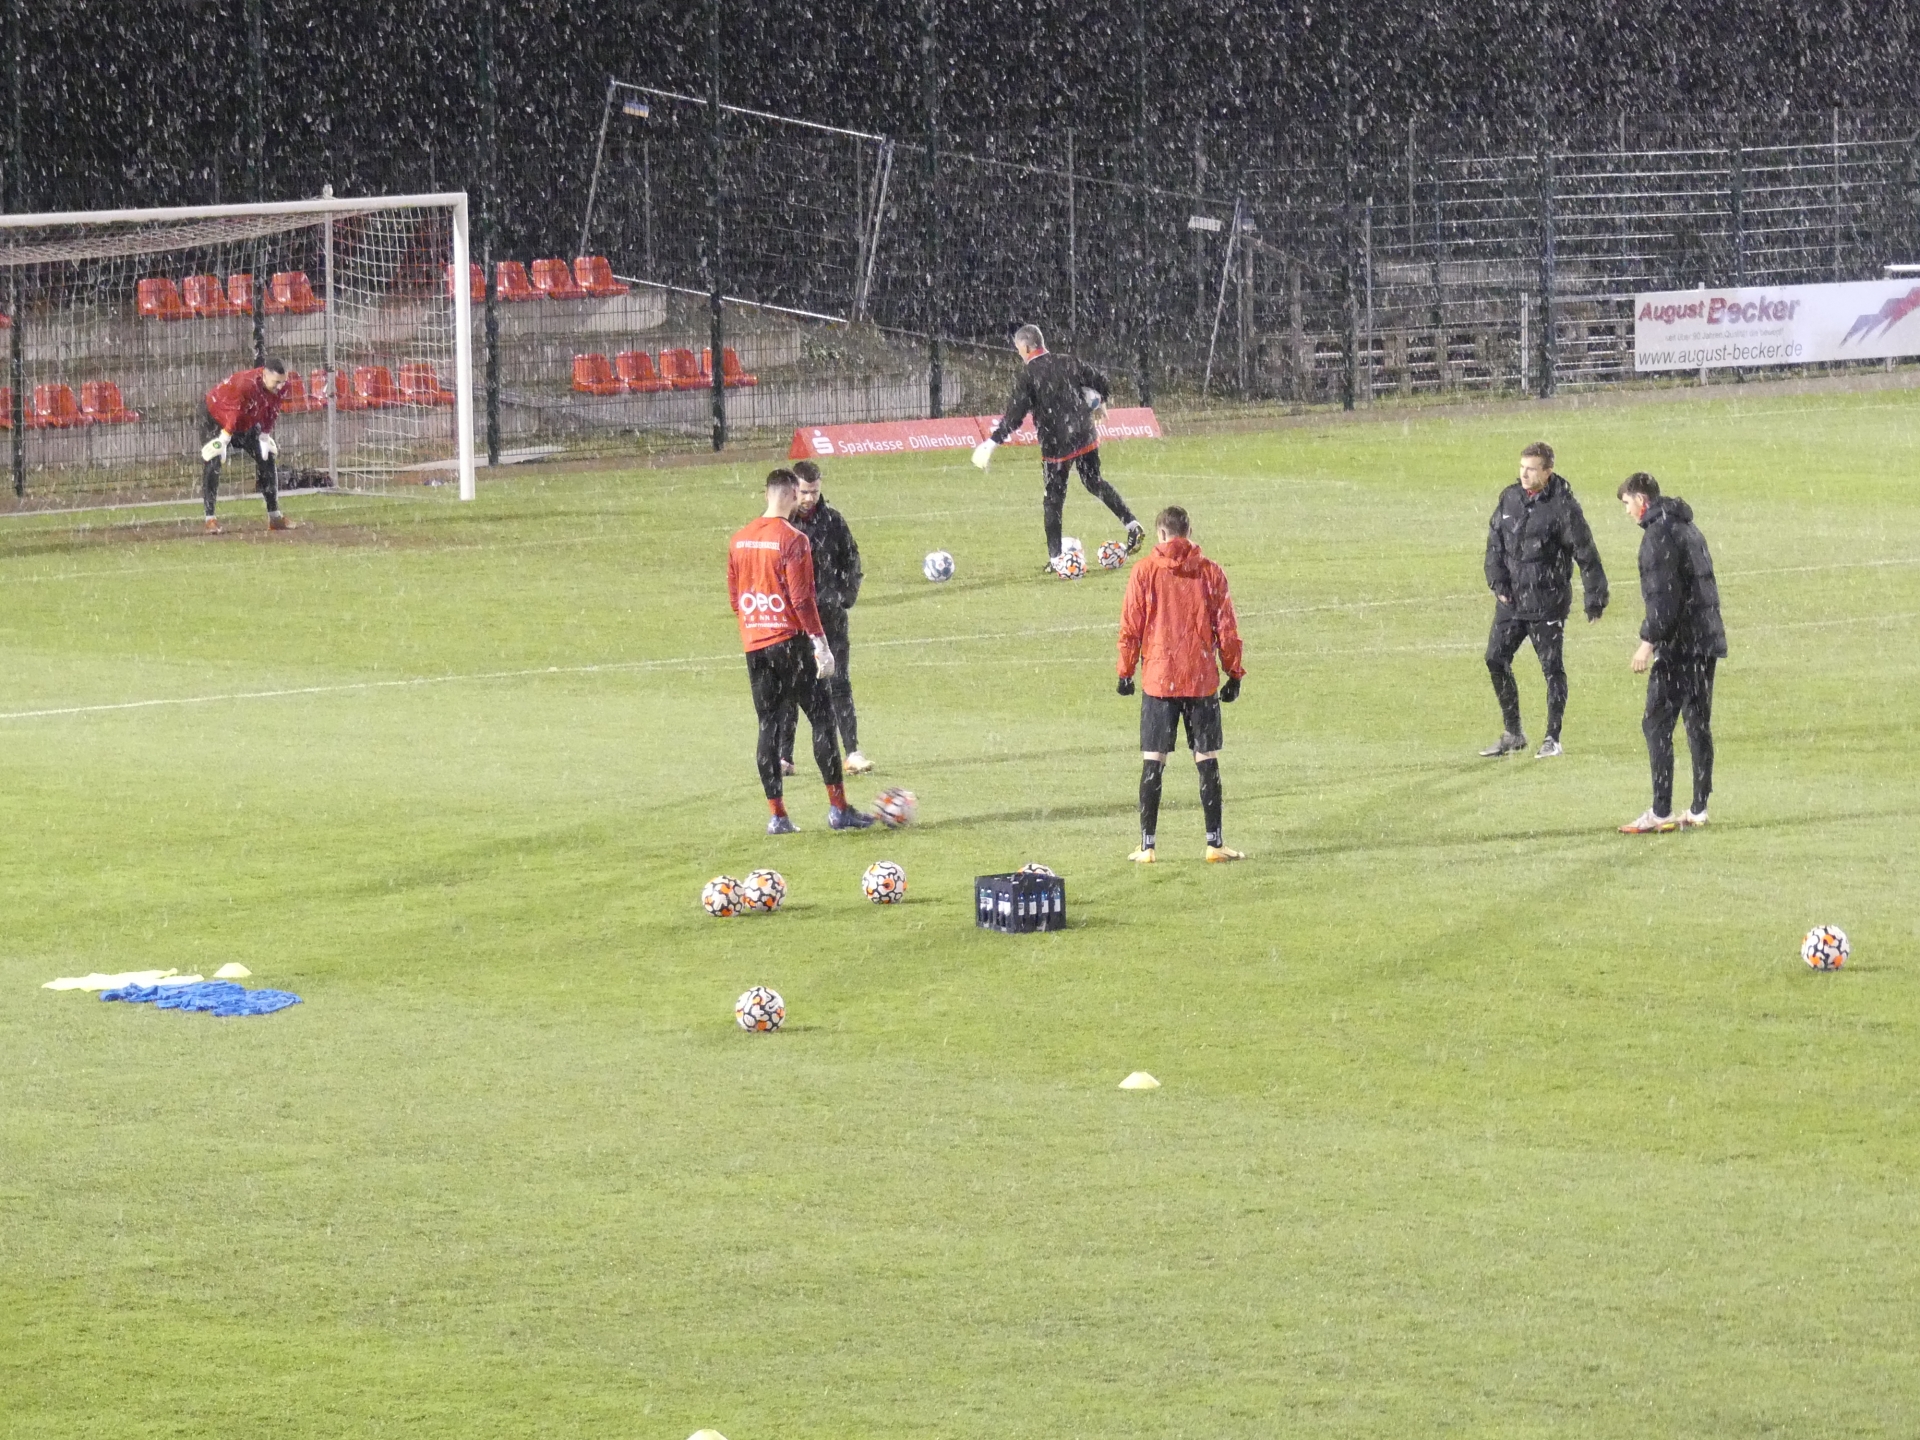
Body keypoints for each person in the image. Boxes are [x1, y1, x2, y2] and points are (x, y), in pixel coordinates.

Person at [727, 467, 874, 835]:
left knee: (768, 724)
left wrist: (759, 621)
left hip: (755, 644)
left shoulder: (739, 539)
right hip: (789, 642)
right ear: (793, 495)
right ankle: (838, 809)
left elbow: (735, 599)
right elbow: (802, 599)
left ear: (766, 494)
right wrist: (820, 644)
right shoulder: (793, 539)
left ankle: (778, 816)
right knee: (822, 718)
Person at [1116, 506, 1246, 863]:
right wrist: (1234, 673)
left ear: (1161, 534)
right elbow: (1227, 629)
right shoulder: (1210, 572)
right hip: (1200, 679)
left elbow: (1131, 626)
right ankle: (1214, 843)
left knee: (1153, 761)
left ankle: (1147, 846)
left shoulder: (1144, 571)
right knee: (1206, 759)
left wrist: (1125, 672)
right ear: (1188, 532)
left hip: (1159, 681)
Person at [971, 322, 1146, 571]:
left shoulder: (1029, 375)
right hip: (1084, 435)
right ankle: (1132, 524)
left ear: (1027, 347)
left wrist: (993, 441)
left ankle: (1056, 559)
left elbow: (1015, 415)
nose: (1019, 353)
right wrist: (1100, 403)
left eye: (1018, 349)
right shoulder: (1068, 361)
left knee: (1053, 500)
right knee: (1094, 481)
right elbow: (1102, 381)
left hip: (1057, 443)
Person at [1479, 440, 1608, 758]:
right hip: (1512, 602)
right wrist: (1498, 582)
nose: (1524, 474)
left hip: (1547, 602)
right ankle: (1514, 733)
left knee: (1551, 669)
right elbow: (1495, 542)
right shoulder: (1510, 498)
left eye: (1531, 469)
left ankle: (1553, 738)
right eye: (1522, 467)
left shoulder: (1563, 507)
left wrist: (1595, 597)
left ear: (1548, 472)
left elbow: (1586, 553)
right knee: (1495, 658)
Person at [1616, 472, 1726, 834]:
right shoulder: (1687, 527)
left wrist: (1648, 642)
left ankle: (1660, 811)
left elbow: (1664, 597)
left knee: (1656, 723)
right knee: (1697, 723)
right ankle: (1698, 808)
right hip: (1704, 641)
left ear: (1641, 500)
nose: (1627, 512)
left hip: (1680, 645)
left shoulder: (1657, 535)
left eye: (1627, 503)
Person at [774, 459, 871, 775]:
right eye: (804, 492)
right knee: (790, 688)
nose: (809, 498)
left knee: (839, 683)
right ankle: (785, 757)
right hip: (792, 621)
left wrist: (844, 597)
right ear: (793, 489)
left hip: (829, 618)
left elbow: (851, 560)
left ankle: (852, 752)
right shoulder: (780, 525)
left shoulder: (832, 522)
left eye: (814, 491)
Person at [201, 358, 292, 534]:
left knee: (267, 458)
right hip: (215, 418)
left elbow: (273, 409)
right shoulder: (246, 384)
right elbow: (234, 412)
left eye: (283, 382)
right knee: (213, 460)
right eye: (276, 382)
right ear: (264, 375)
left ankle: (274, 517)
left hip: (245, 421)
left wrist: (265, 435)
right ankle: (210, 519)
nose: (280, 386)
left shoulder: (281, 385)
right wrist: (224, 439)